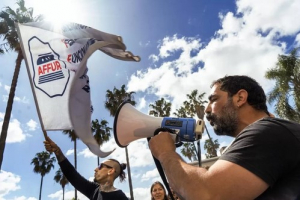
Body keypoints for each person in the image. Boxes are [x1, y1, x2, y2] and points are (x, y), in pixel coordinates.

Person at [149, 75, 300, 199]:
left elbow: (207, 194)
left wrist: (165, 153)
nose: (207, 109)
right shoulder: (271, 132)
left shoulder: (267, 131)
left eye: (213, 99)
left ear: (240, 98)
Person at [44, 136, 128, 200]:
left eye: (100, 166)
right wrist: (57, 151)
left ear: (111, 171)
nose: (95, 169)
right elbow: (73, 176)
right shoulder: (94, 190)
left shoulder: (120, 197)